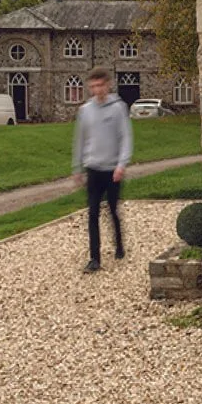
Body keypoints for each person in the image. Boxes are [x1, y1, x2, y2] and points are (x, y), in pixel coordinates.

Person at [72, 67, 133, 273]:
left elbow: (125, 137)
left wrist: (122, 164)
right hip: (93, 168)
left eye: (101, 85)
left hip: (112, 169)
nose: (97, 90)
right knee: (92, 213)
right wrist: (77, 167)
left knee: (113, 210)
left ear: (107, 85)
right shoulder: (85, 111)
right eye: (93, 86)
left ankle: (119, 244)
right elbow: (80, 140)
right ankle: (94, 258)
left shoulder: (118, 108)